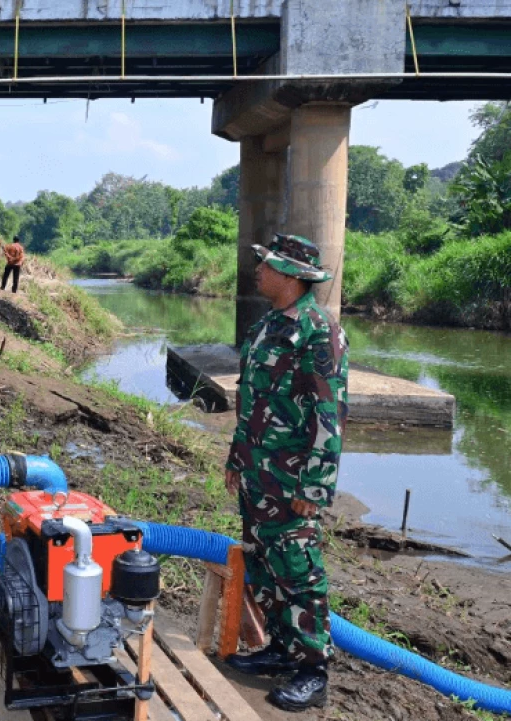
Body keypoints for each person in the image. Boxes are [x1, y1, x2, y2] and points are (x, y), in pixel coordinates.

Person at [223, 234, 349, 712]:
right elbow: (251, 397)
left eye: (267, 265)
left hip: (293, 479)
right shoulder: (269, 324)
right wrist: (238, 456)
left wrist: (315, 487)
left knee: (298, 569)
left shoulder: (320, 331)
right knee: (263, 560)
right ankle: (281, 646)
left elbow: (329, 414)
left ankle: (312, 668)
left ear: (293, 276)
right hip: (258, 473)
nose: (258, 270)